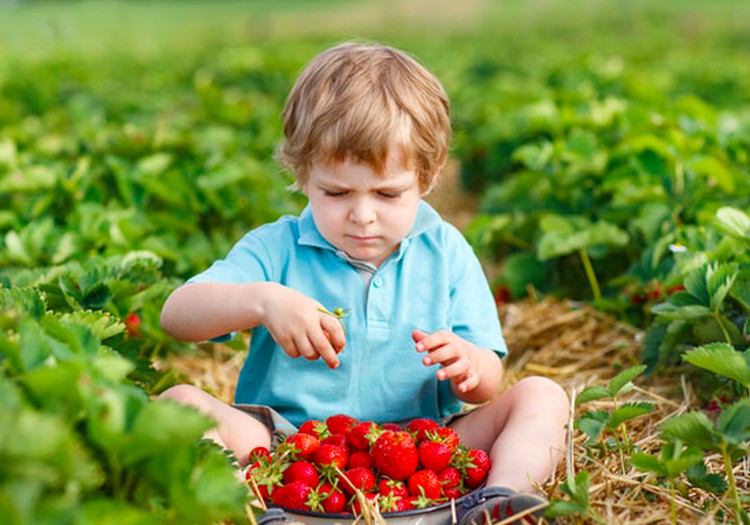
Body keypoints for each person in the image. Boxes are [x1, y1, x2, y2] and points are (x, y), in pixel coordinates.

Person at [159, 41, 569, 525]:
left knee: (543, 395)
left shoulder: (446, 251)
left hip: (425, 449)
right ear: (302, 173)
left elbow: (490, 379)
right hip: (290, 453)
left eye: (388, 194)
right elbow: (176, 315)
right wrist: (261, 300)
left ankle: (500, 499)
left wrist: (469, 365)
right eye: (336, 192)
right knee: (179, 404)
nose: (363, 216)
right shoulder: (275, 249)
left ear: (430, 175)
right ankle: (249, 510)